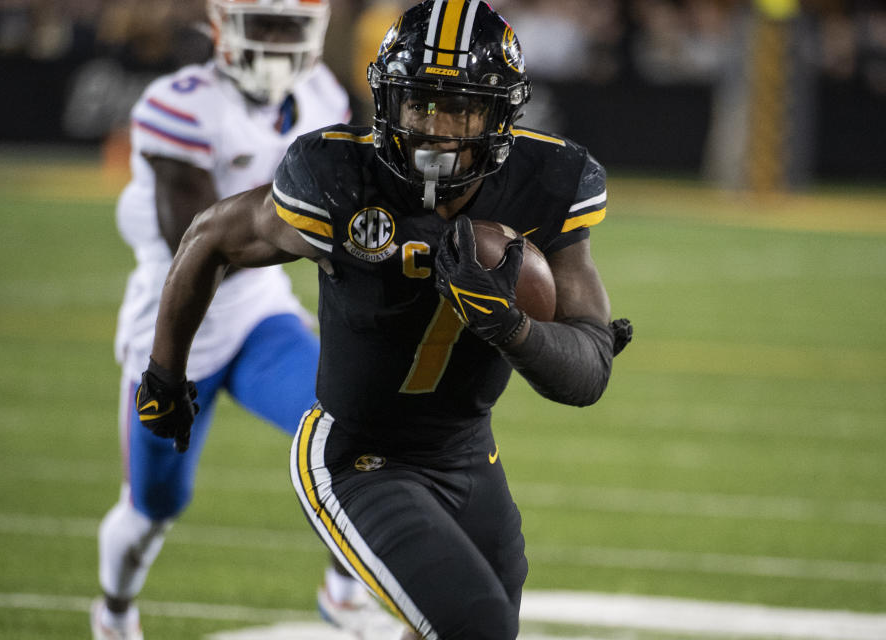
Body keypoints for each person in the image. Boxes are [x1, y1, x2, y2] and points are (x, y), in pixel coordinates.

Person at [136, 1, 633, 638]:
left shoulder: (549, 183)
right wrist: (165, 375)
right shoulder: (341, 177)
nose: (435, 129)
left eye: (459, 108)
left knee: (483, 627)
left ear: (500, 115)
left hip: (467, 454)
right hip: (354, 453)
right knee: (473, 625)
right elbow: (209, 236)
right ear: (385, 102)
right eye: (418, 104)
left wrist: (510, 327)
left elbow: (588, 373)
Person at [90, 1, 405, 639]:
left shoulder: (320, 96)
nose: (276, 40)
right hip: (176, 332)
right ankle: (114, 611)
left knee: (363, 429)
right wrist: (336, 235)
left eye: (289, 25)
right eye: (263, 22)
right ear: (223, 25)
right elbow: (204, 249)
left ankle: (344, 590)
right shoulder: (180, 105)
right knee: (154, 507)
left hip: (260, 314)